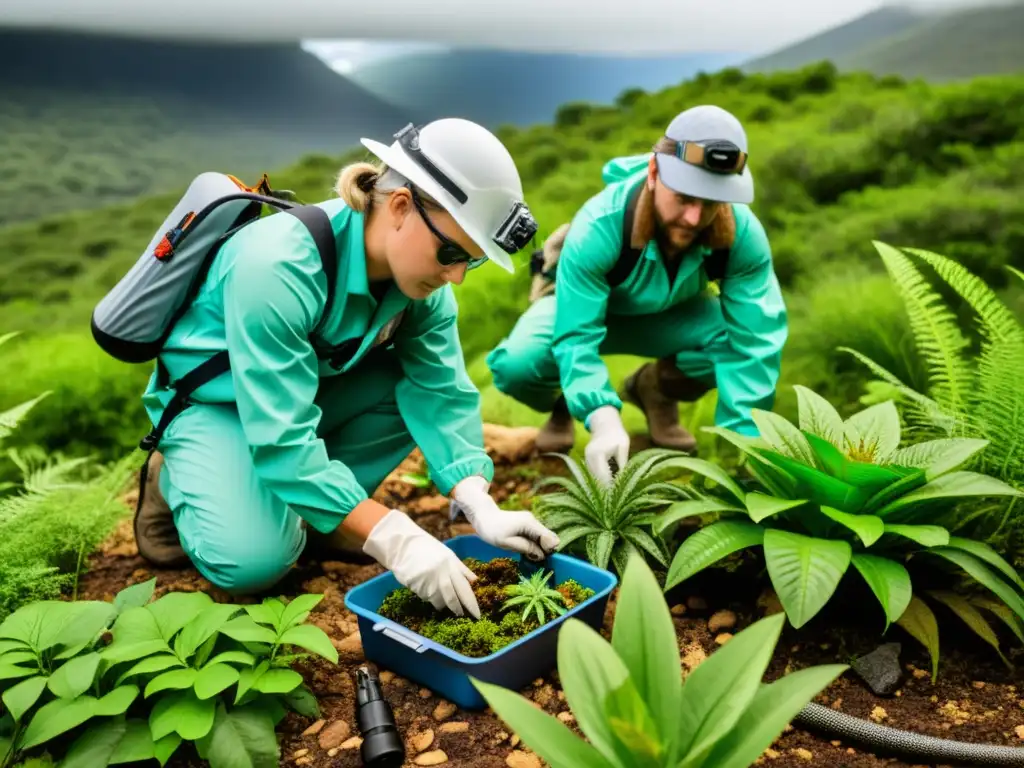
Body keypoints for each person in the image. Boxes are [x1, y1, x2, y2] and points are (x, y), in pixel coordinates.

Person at [132, 118, 559, 619]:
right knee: (256, 562)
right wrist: (393, 536)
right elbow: (283, 441)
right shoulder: (277, 267)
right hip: (217, 405)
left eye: (472, 260)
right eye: (450, 252)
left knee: (407, 387)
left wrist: (478, 501)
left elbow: (440, 391)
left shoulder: (422, 289)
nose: (458, 277)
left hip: (306, 393)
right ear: (400, 207)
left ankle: (321, 512)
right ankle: (175, 476)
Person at [486, 105, 788, 486]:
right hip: (580, 311)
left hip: (673, 317)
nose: (694, 218)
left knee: (733, 342)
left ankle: (655, 388)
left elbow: (756, 343)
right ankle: (564, 401)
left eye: (710, 203)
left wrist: (746, 459)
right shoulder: (599, 225)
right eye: (684, 198)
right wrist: (603, 417)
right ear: (653, 174)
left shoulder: (742, 235)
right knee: (517, 365)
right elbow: (576, 337)